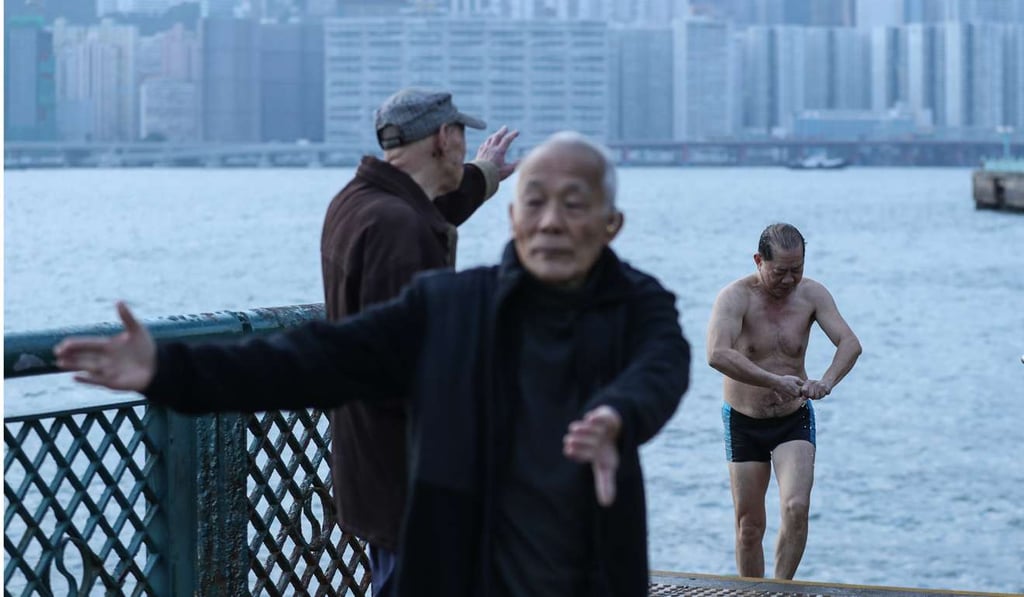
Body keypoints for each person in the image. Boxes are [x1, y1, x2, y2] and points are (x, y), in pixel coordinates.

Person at [54, 132, 692, 597]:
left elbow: (662, 366)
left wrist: (617, 416)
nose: (551, 221)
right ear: (512, 215)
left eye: (574, 204)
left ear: (611, 224)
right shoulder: (448, 308)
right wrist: (168, 370)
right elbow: (314, 359)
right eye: (536, 202)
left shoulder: (638, 305)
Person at [321, 87, 519, 596]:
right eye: (461, 138)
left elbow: (434, 208)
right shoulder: (396, 228)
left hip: (371, 458)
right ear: (445, 137)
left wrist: (486, 174)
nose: (462, 148)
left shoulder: (360, 202)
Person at [706, 222, 862, 580]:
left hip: (792, 418)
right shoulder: (734, 297)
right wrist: (773, 380)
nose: (789, 280)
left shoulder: (812, 295)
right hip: (744, 421)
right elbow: (717, 354)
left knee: (796, 507)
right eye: (780, 272)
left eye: (798, 270)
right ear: (759, 260)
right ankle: (752, 591)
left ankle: (780, 588)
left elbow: (850, 343)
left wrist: (827, 381)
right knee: (749, 527)